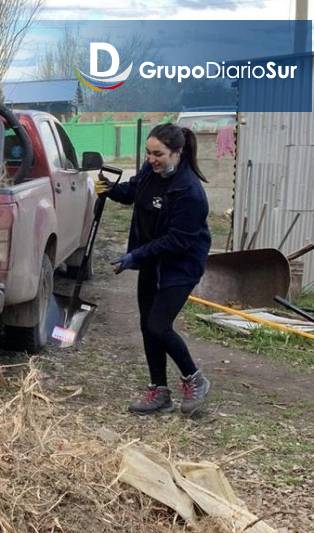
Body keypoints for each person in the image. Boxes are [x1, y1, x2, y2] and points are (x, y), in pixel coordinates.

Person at [96, 123, 212, 416]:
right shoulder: (152, 171)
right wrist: (111, 190)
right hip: (151, 260)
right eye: (148, 153)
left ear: (177, 152)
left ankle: (195, 379)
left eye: (158, 154)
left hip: (180, 266)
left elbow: (177, 241)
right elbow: (134, 191)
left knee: (159, 324)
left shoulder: (189, 192)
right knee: (147, 325)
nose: (151, 159)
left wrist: (134, 255)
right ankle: (159, 391)